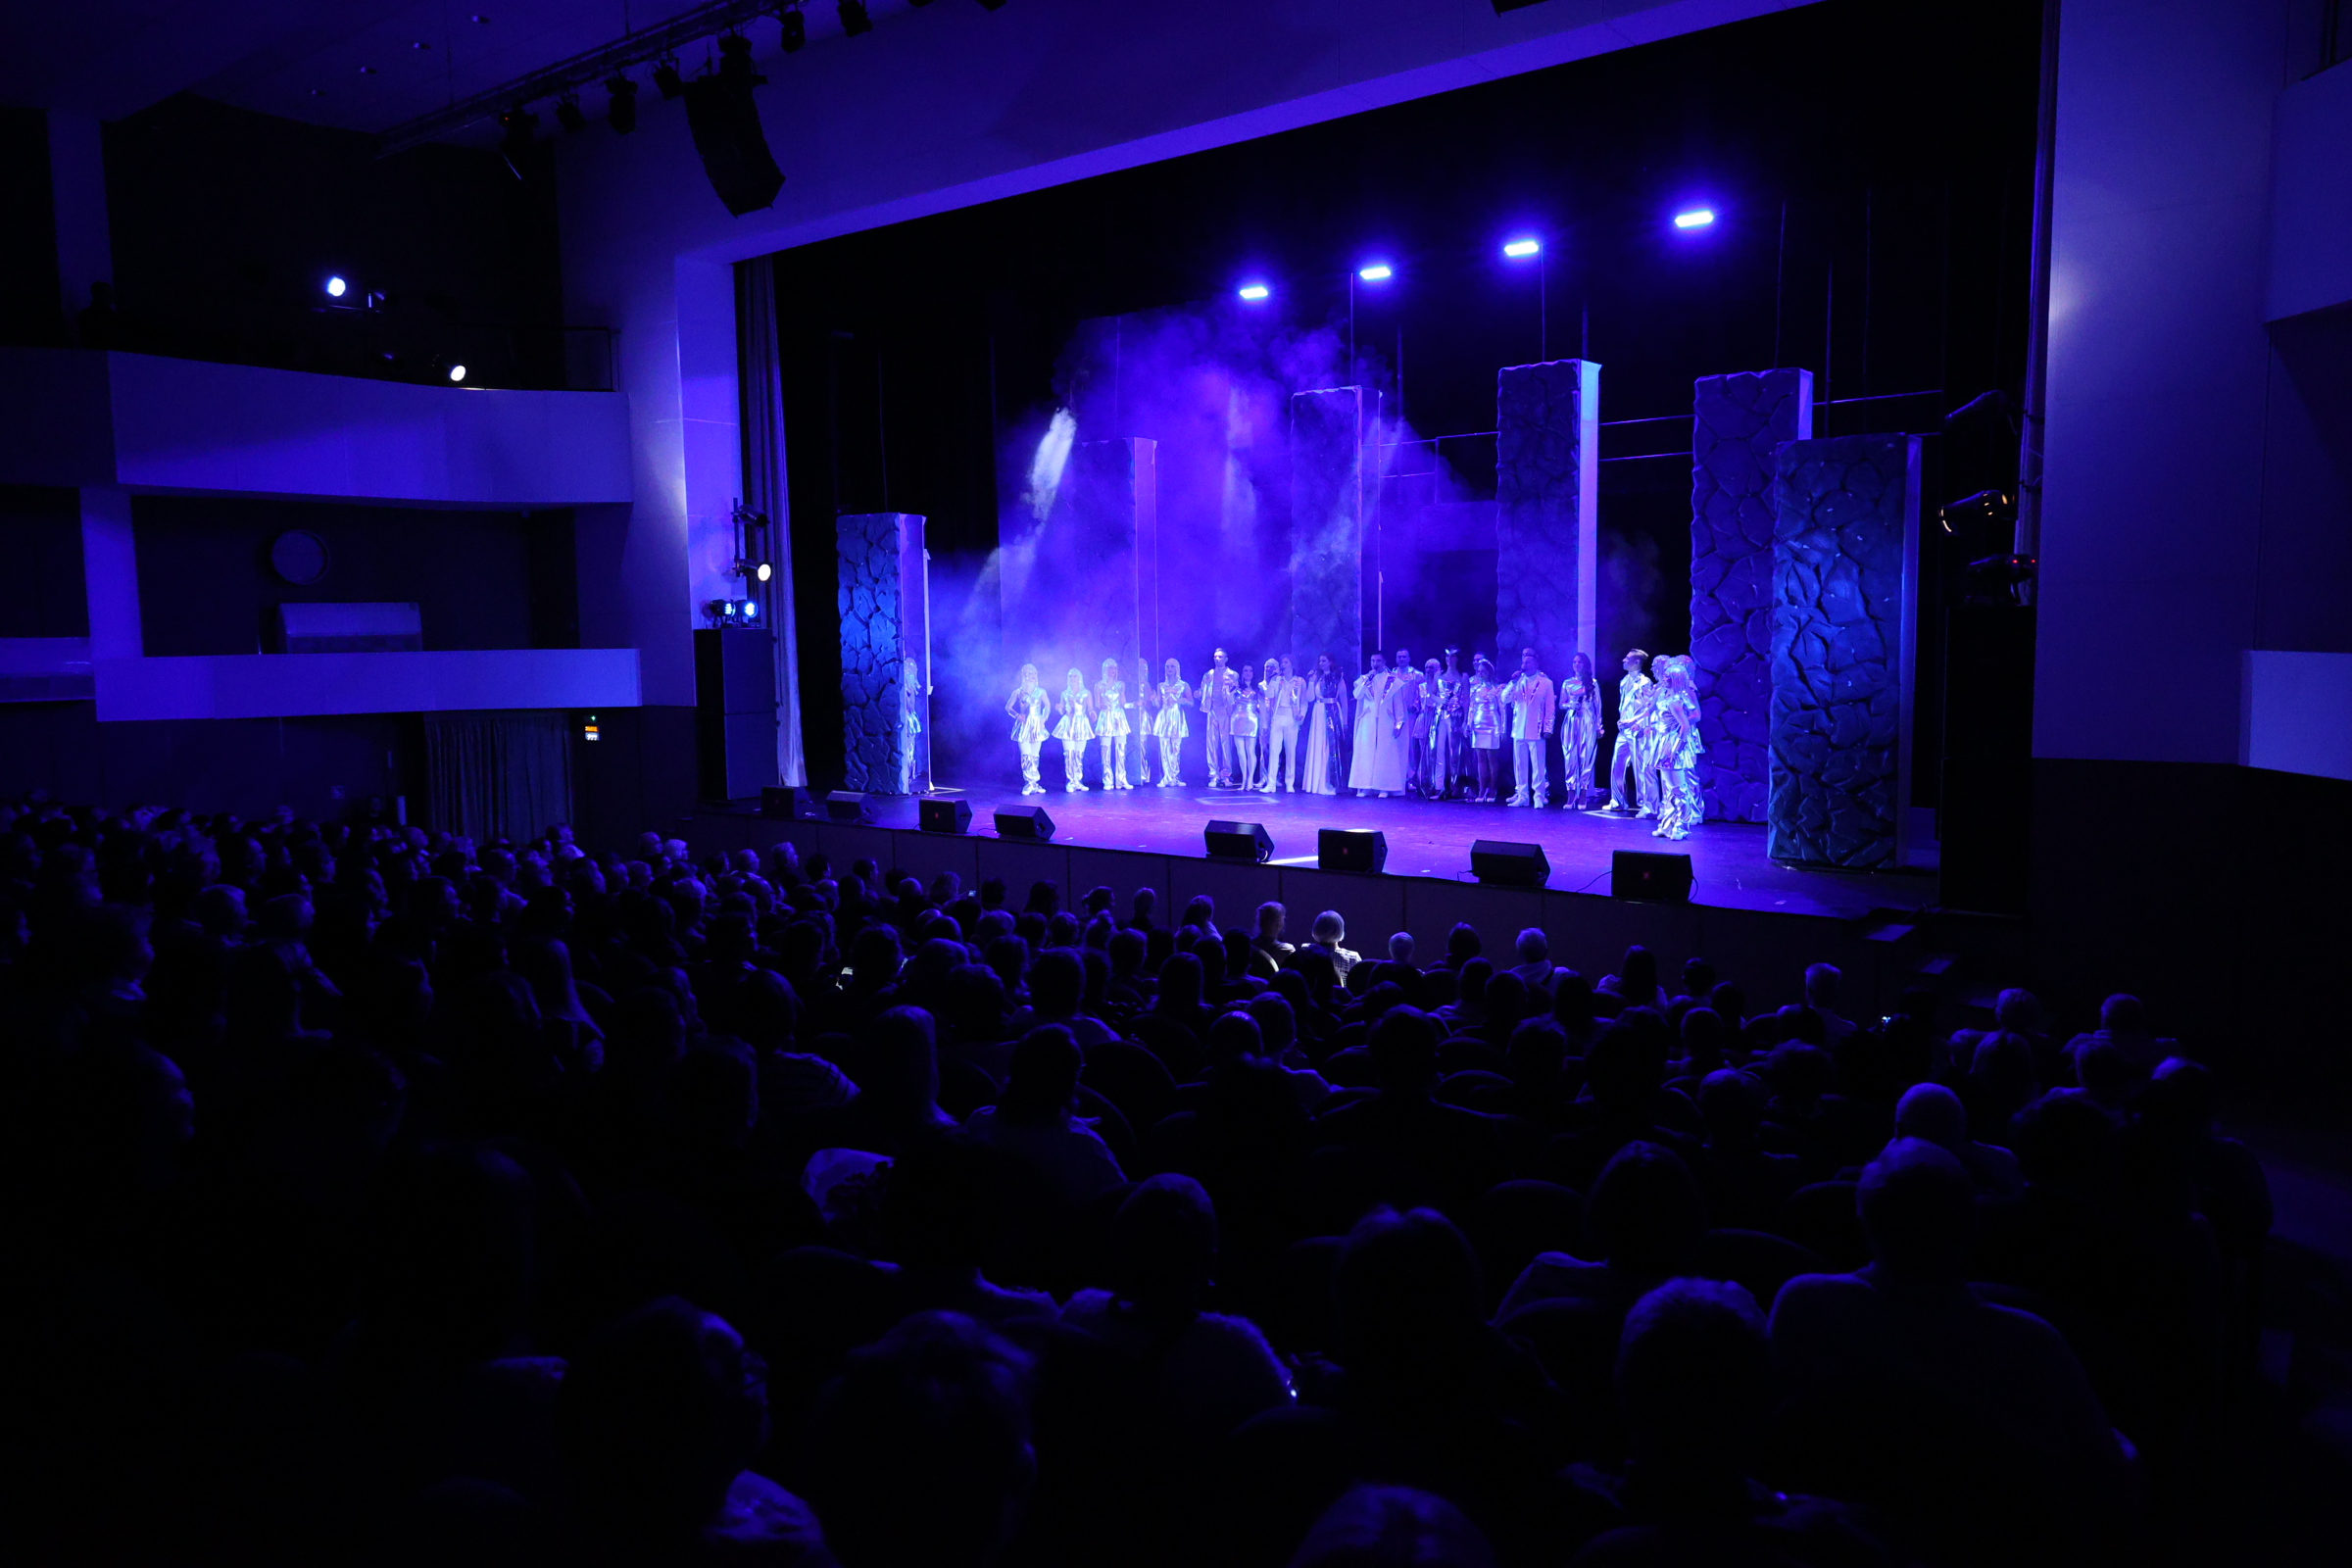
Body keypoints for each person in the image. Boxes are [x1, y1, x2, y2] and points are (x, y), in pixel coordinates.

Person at [1649, 655, 1705, 840]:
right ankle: (1667, 825)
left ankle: (1682, 825)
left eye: (1668, 676)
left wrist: (1675, 749)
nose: (1663, 678)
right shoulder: (1666, 698)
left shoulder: (1676, 701)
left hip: (1673, 744)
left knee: (1678, 788)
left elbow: (1687, 724)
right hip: (1664, 742)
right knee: (1669, 788)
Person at [1501, 648, 1556, 808]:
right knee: (1520, 765)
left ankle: (1539, 796)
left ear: (1535, 663)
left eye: (1527, 662)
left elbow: (1550, 708)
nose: (1524, 665)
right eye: (1523, 662)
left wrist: (1548, 728)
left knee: (1538, 765)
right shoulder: (1518, 681)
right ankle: (1522, 796)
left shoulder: (1546, 682)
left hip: (1536, 729)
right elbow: (1504, 699)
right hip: (1519, 729)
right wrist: (1512, 682)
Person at [1349, 653, 1409, 797]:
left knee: (1385, 753)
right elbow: (1357, 695)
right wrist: (1368, 679)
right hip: (1368, 719)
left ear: (1384, 662)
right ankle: (1365, 786)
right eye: (1372, 660)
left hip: (1386, 720)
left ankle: (1384, 787)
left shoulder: (1393, 681)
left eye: (1378, 661)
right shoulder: (1364, 679)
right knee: (1366, 752)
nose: (1375, 663)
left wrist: (1399, 724)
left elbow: (1399, 705)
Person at [1606, 649, 1655, 813]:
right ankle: (1617, 801)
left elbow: (1649, 708)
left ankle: (1646, 803)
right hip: (1624, 730)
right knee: (1617, 764)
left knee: (1640, 768)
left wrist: (1640, 724)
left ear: (1636, 662)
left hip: (1637, 729)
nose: (1623, 660)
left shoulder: (1645, 682)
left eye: (1627, 658)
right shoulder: (1624, 681)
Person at [1559, 651, 1600, 810]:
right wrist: (1570, 705)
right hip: (1571, 721)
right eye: (1574, 662)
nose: (1576, 664)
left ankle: (1583, 792)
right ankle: (1571, 793)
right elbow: (1561, 703)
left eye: (1579, 662)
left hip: (1587, 721)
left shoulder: (1593, 683)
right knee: (1570, 756)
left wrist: (1599, 727)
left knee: (1586, 756)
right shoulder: (1567, 683)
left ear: (1585, 665)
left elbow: (1598, 707)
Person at [1302, 653, 1348, 796]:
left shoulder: (1338, 677)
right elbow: (1310, 698)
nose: (1321, 663)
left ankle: (1330, 782)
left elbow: (1344, 700)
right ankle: (1316, 783)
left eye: (1324, 660)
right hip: (1319, 712)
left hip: (1333, 711)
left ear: (1330, 662)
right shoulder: (1317, 677)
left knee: (1330, 746)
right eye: (1320, 661)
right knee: (1319, 744)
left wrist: (1345, 721)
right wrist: (1311, 681)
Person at [1005, 663, 1051, 796]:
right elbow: (1008, 707)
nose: (1032, 676)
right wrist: (1017, 715)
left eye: (1034, 673)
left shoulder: (1041, 691)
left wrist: (1043, 719)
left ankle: (1034, 783)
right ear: (1024, 675)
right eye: (1030, 673)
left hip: (1036, 725)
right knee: (1026, 755)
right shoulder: (1018, 692)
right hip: (1024, 725)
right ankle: (1029, 783)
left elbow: (1048, 706)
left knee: (1035, 755)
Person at [1466, 653, 1504, 803]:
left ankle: (1493, 788)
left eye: (1483, 671)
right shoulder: (1475, 689)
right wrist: (1468, 724)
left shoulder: (1496, 689)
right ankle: (1482, 788)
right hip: (1478, 725)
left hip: (1492, 725)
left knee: (1492, 759)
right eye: (1479, 671)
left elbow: (1502, 710)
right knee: (1480, 758)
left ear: (1489, 672)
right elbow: (1471, 708)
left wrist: (1503, 729)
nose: (1480, 673)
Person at [1429, 649, 1466, 799]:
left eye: (1452, 656)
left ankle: (1454, 786)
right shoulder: (1439, 674)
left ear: (1457, 658)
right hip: (1440, 715)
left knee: (1454, 751)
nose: (1449, 659)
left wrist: (1465, 721)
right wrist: (1440, 700)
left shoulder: (1463, 676)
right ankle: (1439, 786)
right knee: (1438, 750)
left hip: (1455, 716)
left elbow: (1467, 699)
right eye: (1447, 656)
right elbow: (1431, 694)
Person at [1266, 655, 1306, 792]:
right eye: (1281, 662)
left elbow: (1304, 701)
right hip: (1278, 716)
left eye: (1285, 662)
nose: (1283, 664)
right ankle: (1271, 783)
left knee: (1290, 751)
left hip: (1291, 717)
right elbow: (1270, 695)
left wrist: (1302, 714)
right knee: (1274, 750)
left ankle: (1290, 783)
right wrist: (1272, 679)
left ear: (1292, 664)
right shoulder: (1278, 680)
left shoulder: (1300, 681)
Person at [1094, 657, 1134, 790]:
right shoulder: (1099, 685)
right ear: (1105, 669)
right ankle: (1108, 780)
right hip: (1105, 718)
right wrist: (1102, 706)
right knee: (1105, 750)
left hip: (1119, 718)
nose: (1113, 670)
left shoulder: (1120, 685)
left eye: (1115, 668)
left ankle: (1121, 779)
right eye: (1110, 668)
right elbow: (1097, 703)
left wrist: (1132, 704)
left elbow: (1123, 702)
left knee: (1121, 749)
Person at [1152, 657, 1195, 786]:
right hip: (1164, 717)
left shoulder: (1183, 685)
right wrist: (1153, 699)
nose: (1169, 669)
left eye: (1172, 666)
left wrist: (1184, 701)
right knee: (1164, 748)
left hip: (1177, 717)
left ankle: (1175, 776)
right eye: (1167, 666)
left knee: (1176, 748)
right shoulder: (1161, 685)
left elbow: (1191, 702)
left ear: (1177, 669)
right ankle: (1167, 777)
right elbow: (1158, 704)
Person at [1053, 667, 1096, 793]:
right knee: (1069, 754)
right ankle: (1070, 781)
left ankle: (1078, 781)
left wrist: (1093, 714)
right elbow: (1062, 711)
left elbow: (1090, 708)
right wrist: (1059, 709)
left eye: (1075, 676)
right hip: (1068, 724)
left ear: (1080, 678)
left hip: (1081, 723)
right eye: (1070, 676)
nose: (1072, 678)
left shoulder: (1086, 693)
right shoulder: (1064, 693)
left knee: (1079, 755)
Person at [1200, 647, 1237, 788]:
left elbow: (1235, 692)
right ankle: (1214, 774)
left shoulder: (1232, 674)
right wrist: (1199, 695)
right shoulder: (1208, 675)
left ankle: (1226, 775)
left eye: (1220, 657)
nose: (1217, 659)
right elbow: (1203, 691)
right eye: (1215, 657)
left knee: (1226, 744)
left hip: (1225, 712)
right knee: (1211, 744)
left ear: (1226, 659)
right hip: (1212, 710)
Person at [1230, 663, 1263, 791]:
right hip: (1237, 718)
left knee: (1250, 751)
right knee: (1240, 752)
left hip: (1251, 719)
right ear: (1242, 673)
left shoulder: (1258, 688)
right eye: (1245, 670)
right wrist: (1231, 690)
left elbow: (1262, 706)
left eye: (1250, 671)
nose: (1248, 673)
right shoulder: (1236, 687)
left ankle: (1250, 779)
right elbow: (1229, 702)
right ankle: (1244, 779)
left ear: (1253, 673)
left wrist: (1264, 722)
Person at [899, 656, 925, 796]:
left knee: (911, 747)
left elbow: (911, 706)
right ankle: (908, 774)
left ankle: (910, 774)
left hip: (910, 718)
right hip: (907, 718)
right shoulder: (906, 686)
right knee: (909, 748)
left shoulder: (910, 686)